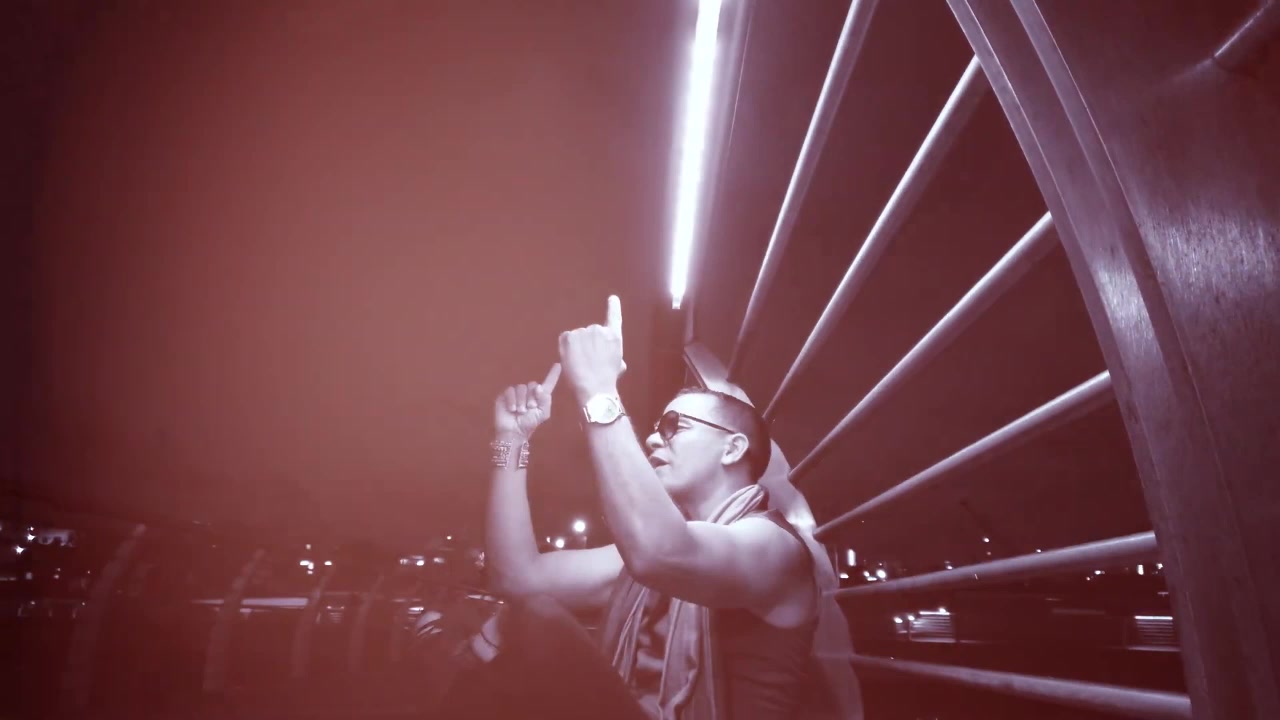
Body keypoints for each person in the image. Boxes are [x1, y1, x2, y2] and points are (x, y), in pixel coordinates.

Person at [457, 296, 853, 720]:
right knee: (519, 617)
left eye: (672, 426)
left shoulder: (774, 546)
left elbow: (661, 551)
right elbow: (517, 577)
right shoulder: (649, 556)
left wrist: (598, 389)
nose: (651, 439)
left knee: (533, 627)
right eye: (656, 428)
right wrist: (511, 440)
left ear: (732, 448)